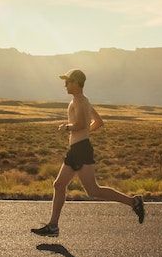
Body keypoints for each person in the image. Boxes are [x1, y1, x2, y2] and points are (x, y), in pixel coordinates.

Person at [31, 69, 145, 237]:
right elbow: (98, 122)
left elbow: (81, 123)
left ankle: (134, 201)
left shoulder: (80, 101)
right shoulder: (83, 101)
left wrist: (67, 127)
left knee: (93, 190)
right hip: (77, 148)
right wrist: (84, 133)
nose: (65, 85)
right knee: (59, 185)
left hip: (81, 150)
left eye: (68, 81)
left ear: (76, 83)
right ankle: (53, 226)